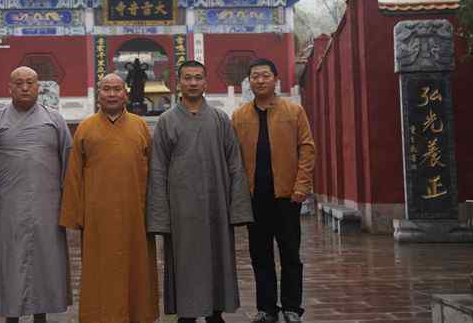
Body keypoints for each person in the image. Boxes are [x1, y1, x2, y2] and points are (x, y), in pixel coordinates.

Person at [147, 60, 253, 323]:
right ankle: (187, 313)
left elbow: (235, 164)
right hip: (181, 209)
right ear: (178, 83)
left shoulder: (220, 119)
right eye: (187, 78)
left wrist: (238, 209)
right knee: (185, 261)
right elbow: (157, 170)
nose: (193, 83)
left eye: (197, 78)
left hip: (216, 205)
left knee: (217, 258)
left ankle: (215, 312)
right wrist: (160, 217)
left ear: (206, 82)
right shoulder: (166, 121)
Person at [0, 66, 72, 323]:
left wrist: (70, 208)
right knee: (9, 264)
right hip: (7, 208)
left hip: (48, 207)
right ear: (10, 88)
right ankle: (11, 316)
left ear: (39, 87)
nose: (25, 88)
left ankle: (42, 315)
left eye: (30, 82)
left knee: (45, 263)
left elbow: (69, 166)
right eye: (19, 83)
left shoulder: (55, 121)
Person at [60, 73, 159, 323]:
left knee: (137, 270)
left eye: (117, 89)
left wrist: (155, 213)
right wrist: (75, 215)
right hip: (98, 216)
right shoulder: (85, 128)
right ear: (99, 94)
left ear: (126, 94)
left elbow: (154, 172)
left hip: (135, 214)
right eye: (107, 89)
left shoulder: (140, 126)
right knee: (99, 271)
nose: (112, 94)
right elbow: (74, 174)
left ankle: (137, 315)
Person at [231, 59, 316, 323]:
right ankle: (266, 308)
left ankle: (292, 307)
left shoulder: (294, 111)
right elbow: (233, 158)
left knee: (290, 253)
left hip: (287, 196)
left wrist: (301, 186)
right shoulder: (239, 116)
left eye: (265, 75)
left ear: (276, 79)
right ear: (249, 81)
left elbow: (307, 149)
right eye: (255, 76)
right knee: (260, 256)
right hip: (254, 197)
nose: (260, 80)